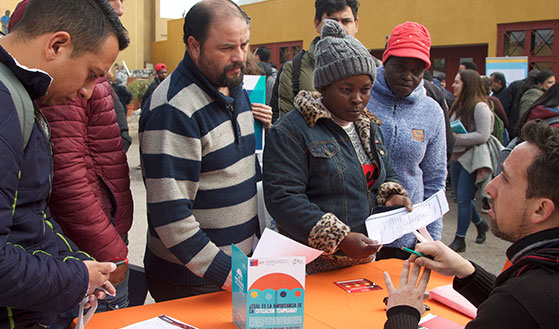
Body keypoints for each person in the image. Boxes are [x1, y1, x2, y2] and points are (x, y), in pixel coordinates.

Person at [0, 0, 129, 326]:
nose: (87, 92)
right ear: (57, 45)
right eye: (91, 74)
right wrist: (75, 277)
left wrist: (75, 262)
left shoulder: (20, 93)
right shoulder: (5, 103)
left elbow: (28, 217)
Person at [263, 19, 412, 274]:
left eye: (365, 90)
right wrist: (339, 238)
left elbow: (386, 174)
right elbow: (283, 199)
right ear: (323, 87)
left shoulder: (368, 126)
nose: (358, 99)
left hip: (361, 263)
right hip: (310, 267)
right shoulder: (291, 131)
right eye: (346, 89)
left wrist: (391, 195)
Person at [384, 120, 559, 329]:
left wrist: (403, 311)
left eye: (506, 179)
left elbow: (517, 308)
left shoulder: (522, 301)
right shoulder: (542, 275)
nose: (490, 189)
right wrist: (468, 272)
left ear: (540, 209)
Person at [139, 0, 260, 301]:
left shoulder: (233, 85)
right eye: (227, 48)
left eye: (245, 45)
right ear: (194, 45)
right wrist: (229, 273)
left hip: (235, 272)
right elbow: (171, 216)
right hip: (192, 282)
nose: (240, 57)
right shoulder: (173, 108)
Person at [366, 22, 447, 251]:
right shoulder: (361, 99)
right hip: (358, 233)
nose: (407, 76)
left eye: (416, 71)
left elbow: (435, 179)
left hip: (408, 237)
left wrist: (432, 238)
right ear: (385, 60)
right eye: (400, 67)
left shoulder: (432, 112)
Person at [277, 0, 360, 118]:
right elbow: (286, 128)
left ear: (356, 24)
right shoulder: (294, 69)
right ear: (317, 24)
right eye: (332, 21)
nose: (339, 27)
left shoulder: (374, 69)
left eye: (346, 21)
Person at [447, 69, 491, 252]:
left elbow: (483, 135)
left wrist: (456, 137)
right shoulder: (458, 105)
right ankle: (480, 224)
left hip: (470, 158)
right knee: (462, 197)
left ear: (468, 84)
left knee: (464, 199)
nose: (453, 85)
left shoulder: (480, 107)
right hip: (456, 158)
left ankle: (460, 240)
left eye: (457, 82)